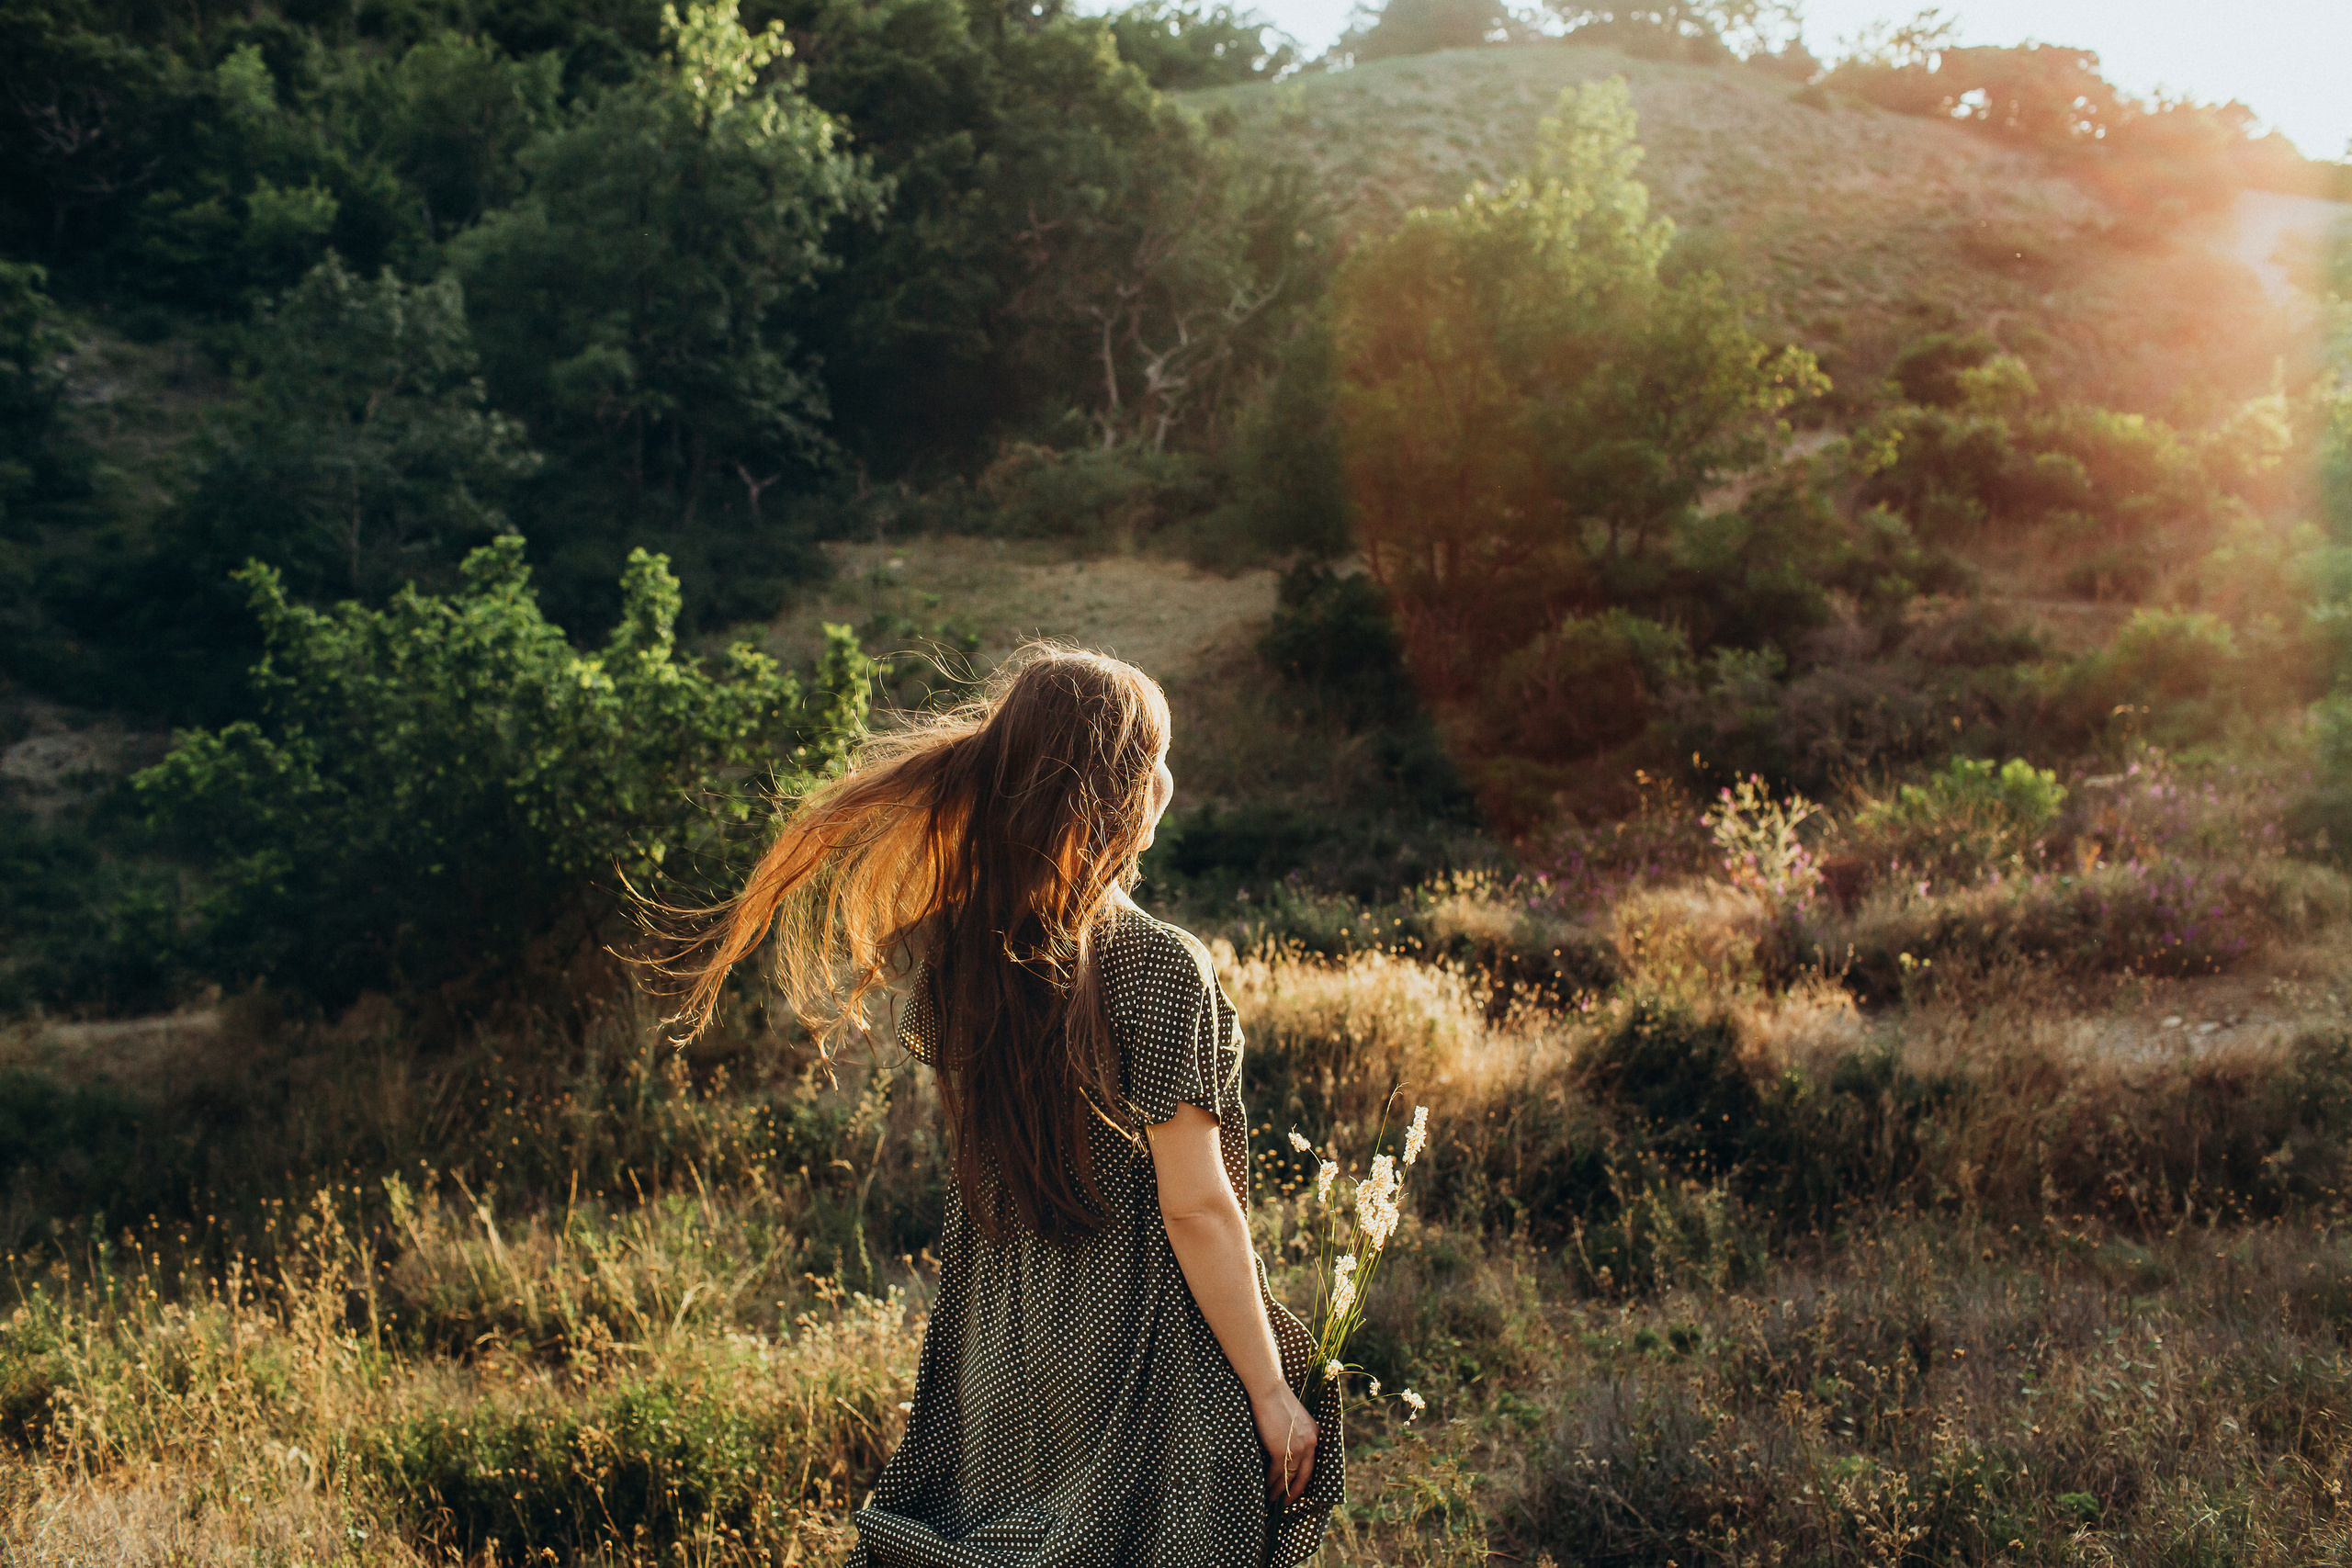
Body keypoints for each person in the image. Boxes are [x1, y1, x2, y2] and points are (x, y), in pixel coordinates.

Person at [671, 645, 1342, 1568]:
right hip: (1133, 1343)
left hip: (1000, 1350)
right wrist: (1271, 1389)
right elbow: (1194, 1207)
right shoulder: (1157, 963)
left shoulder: (960, 950)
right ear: (1119, 796)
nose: (1169, 783)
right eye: (1156, 762)